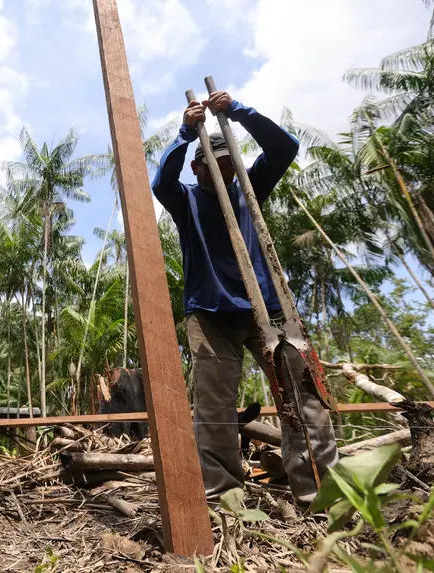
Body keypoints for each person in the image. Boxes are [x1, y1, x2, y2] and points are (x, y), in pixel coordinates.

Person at [151, 90, 338, 505]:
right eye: (211, 164)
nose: (222, 172)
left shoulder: (249, 190)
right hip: (211, 313)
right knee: (215, 406)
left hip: (270, 309)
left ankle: (319, 494)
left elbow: (285, 147)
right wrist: (185, 131)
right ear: (197, 167)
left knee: (304, 396)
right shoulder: (186, 200)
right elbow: (161, 180)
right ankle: (225, 499)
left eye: (228, 164)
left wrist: (236, 112)